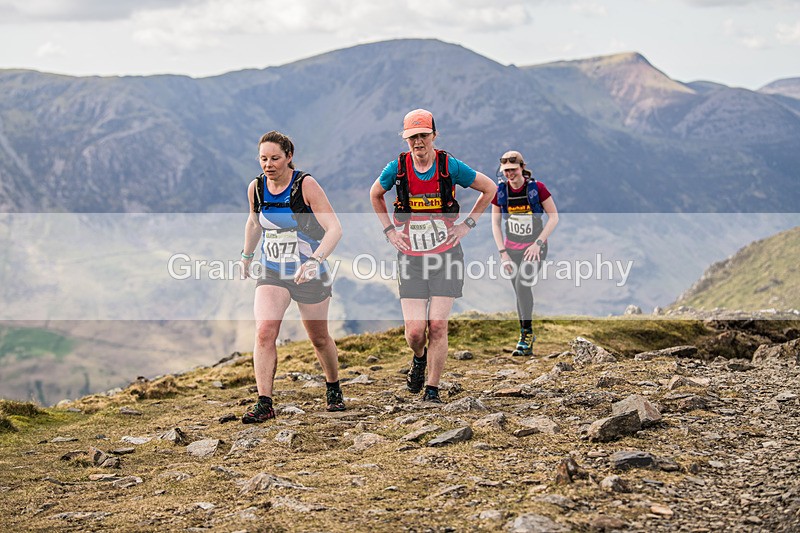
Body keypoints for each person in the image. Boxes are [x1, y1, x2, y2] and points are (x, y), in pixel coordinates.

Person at [369, 109, 496, 404]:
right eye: (412, 137)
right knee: (415, 332)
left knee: (437, 325)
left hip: (446, 256)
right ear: (406, 139)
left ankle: (432, 390)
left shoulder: (448, 165)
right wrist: (389, 230)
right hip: (411, 257)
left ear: (434, 136)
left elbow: (488, 188)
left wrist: (467, 225)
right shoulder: (396, 168)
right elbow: (375, 194)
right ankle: (419, 358)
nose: (418, 142)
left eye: (423, 135)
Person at [240, 131, 345, 423]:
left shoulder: (305, 185)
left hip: (309, 272)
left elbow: (334, 228)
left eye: (275, 158)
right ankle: (265, 402)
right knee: (264, 332)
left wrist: (314, 261)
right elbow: (253, 222)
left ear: (289, 157)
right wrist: (247, 256)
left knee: (319, 338)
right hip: (273, 270)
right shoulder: (257, 188)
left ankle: (333, 386)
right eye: (263, 158)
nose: (268, 164)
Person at [490, 150, 559, 356]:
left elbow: (554, 217)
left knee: (522, 284)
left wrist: (538, 243)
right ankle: (525, 338)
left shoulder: (537, 189)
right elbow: (495, 224)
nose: (509, 174)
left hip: (535, 250)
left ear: (521, 167)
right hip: (511, 250)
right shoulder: (501, 192)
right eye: (505, 171)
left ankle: (526, 334)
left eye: (512, 170)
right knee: (519, 291)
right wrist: (502, 252)